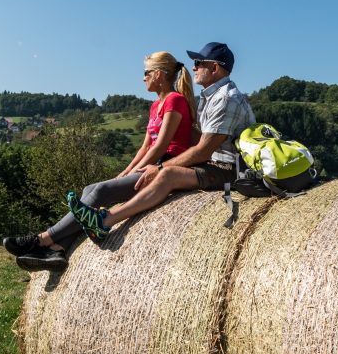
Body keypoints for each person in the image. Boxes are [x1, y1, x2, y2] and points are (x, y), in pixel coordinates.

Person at [3, 51, 197, 270]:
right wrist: (126, 171)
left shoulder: (175, 100)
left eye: (146, 72)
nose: (143, 78)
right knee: (90, 190)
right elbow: (145, 146)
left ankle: (41, 239)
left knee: (101, 191)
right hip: (151, 163)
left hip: (164, 166)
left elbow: (161, 146)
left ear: (159, 74)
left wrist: (137, 170)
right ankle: (58, 249)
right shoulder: (155, 106)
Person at [67, 41, 255, 243]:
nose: (194, 68)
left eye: (199, 63)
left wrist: (159, 167)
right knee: (104, 188)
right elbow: (201, 140)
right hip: (214, 165)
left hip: (229, 169)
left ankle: (106, 221)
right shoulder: (212, 97)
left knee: (167, 174)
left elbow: (203, 151)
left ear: (215, 67)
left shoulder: (226, 98)